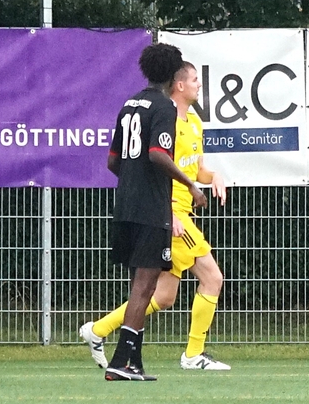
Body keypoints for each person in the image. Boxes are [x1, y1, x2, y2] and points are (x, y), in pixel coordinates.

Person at [81, 61, 230, 372]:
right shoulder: (165, 120)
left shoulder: (194, 122)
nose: (199, 85)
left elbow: (196, 169)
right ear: (179, 85)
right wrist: (169, 213)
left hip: (181, 213)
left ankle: (98, 330)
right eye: (194, 80)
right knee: (212, 278)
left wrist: (213, 176)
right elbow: (156, 166)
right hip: (172, 215)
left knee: (162, 297)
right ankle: (193, 354)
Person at [101, 43, 207, 382]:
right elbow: (158, 154)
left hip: (125, 205)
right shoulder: (164, 107)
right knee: (144, 288)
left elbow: (113, 161)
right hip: (151, 208)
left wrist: (133, 180)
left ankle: (133, 362)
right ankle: (121, 362)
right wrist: (190, 185)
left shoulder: (130, 104)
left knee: (140, 285)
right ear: (173, 75)